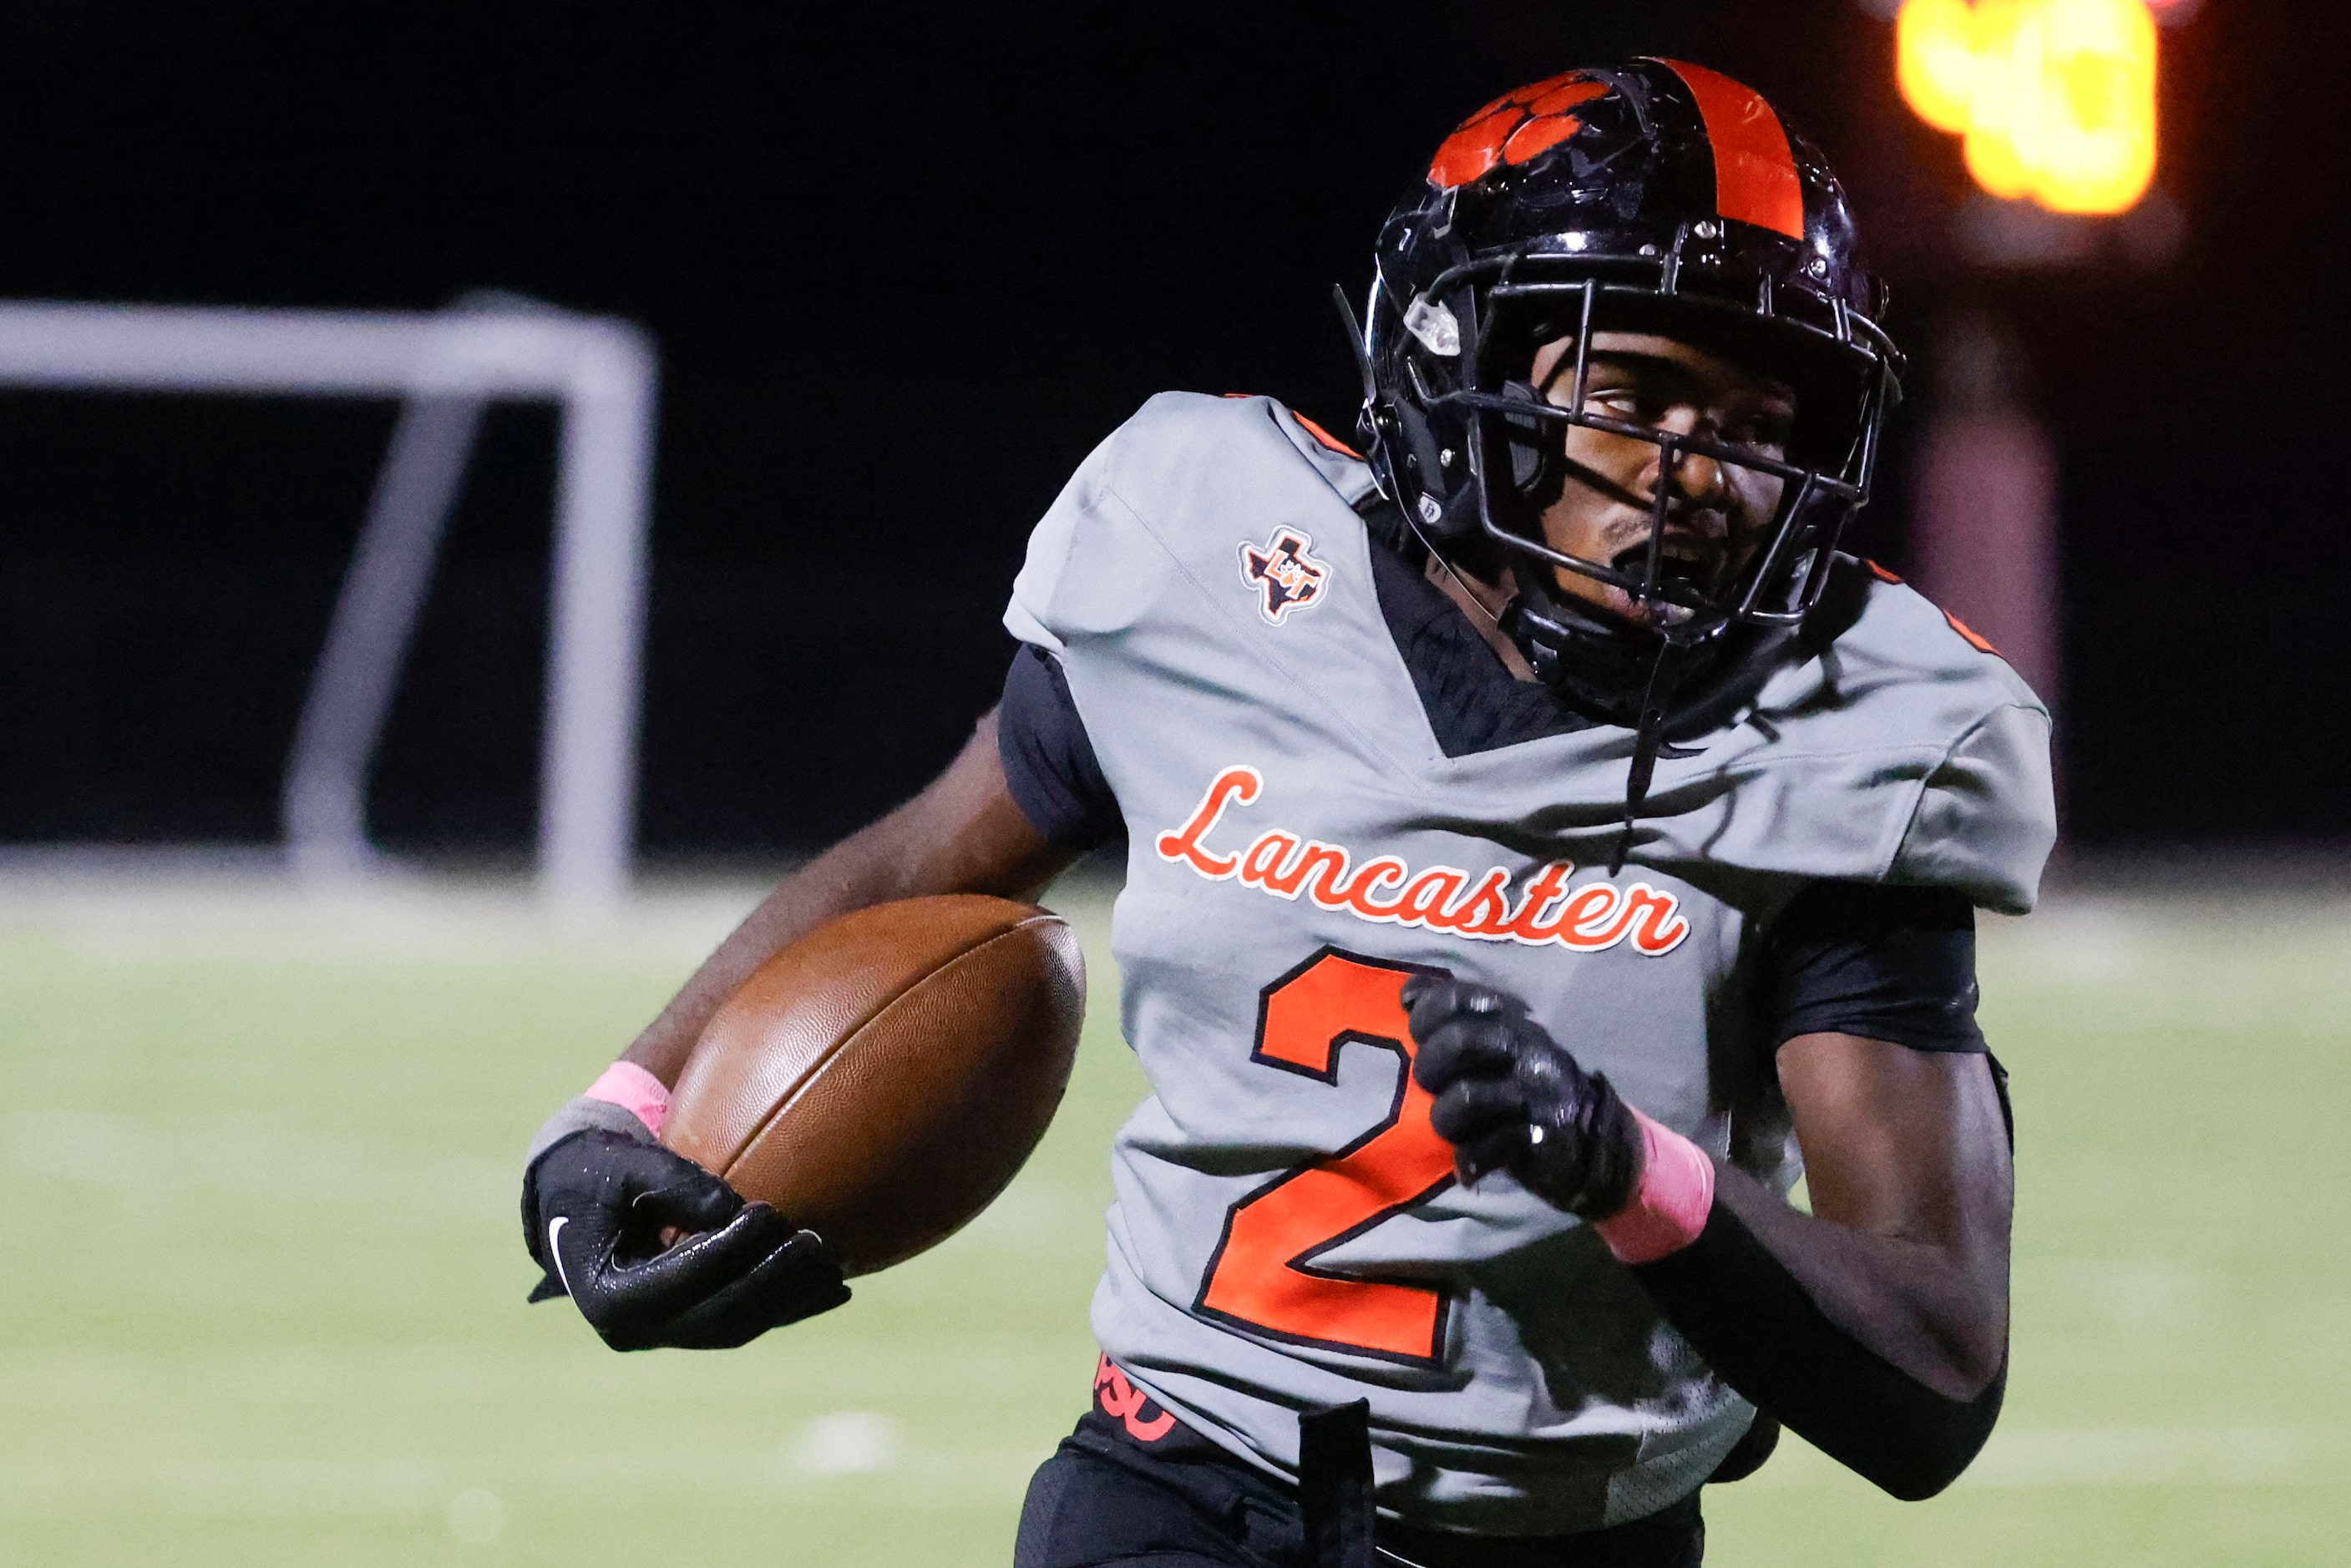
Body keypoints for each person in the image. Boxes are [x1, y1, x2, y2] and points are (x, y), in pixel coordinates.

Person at [519, 58, 2055, 1568]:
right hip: (1177, 1494)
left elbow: (1932, 1375)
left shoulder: (1853, 727)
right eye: (1634, 387)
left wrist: (1619, 1164)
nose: (1697, 470)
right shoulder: (1209, 558)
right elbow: (931, 854)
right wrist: (628, 1108)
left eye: (1758, 419)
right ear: (1466, 369)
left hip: (1569, 1539)